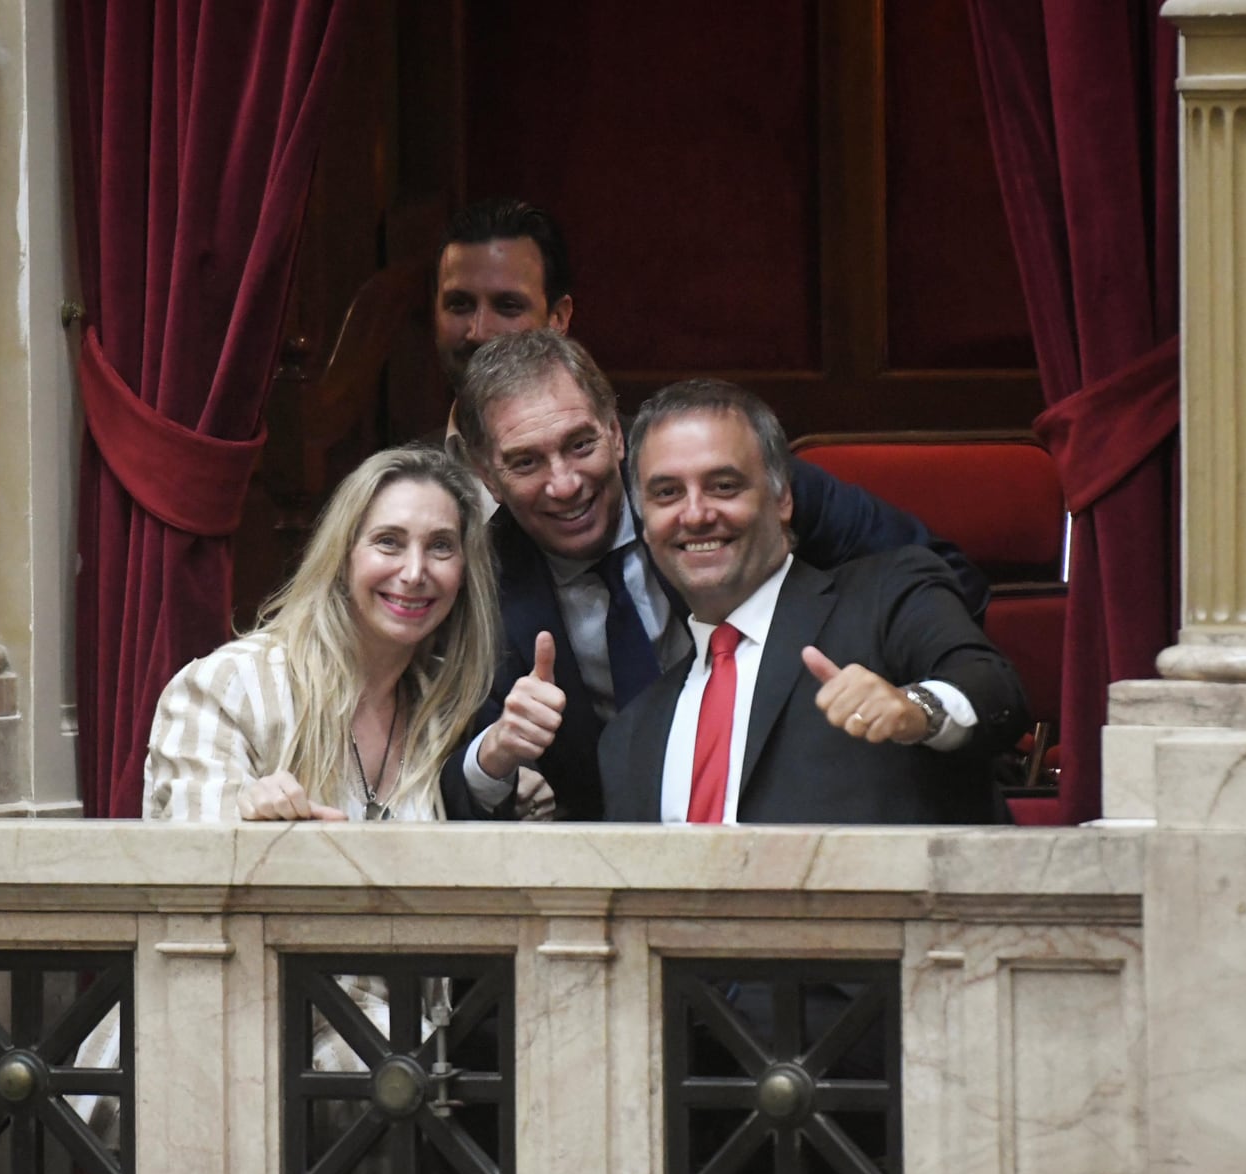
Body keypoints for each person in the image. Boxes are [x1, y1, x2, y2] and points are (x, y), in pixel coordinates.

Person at [448, 329, 992, 821]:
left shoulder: (727, 480)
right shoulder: (479, 583)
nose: (564, 484)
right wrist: (496, 759)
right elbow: (456, 771)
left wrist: (900, 705)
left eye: (580, 445)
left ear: (615, 433)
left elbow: (937, 586)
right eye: (525, 463)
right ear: (486, 475)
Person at [598, 379, 1028, 824]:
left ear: (783, 498)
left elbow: (995, 691)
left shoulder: (886, 595)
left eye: (723, 486)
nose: (696, 514)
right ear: (646, 523)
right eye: (667, 493)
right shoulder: (629, 736)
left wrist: (916, 709)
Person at [142, 444, 506, 822]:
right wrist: (252, 828)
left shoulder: (448, 709)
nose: (415, 572)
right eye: (388, 542)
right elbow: (197, 862)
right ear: (342, 554)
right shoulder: (228, 688)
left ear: (465, 573)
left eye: (441, 546)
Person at [434, 198, 574, 405]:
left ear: (558, 318)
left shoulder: (618, 437)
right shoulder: (419, 440)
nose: (479, 333)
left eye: (508, 306)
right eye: (459, 304)